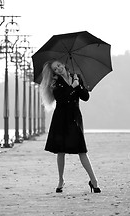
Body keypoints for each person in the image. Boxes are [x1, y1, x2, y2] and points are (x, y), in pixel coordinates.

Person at [40, 60, 101, 193]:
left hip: (74, 117)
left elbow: (85, 97)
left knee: (82, 150)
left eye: (59, 65)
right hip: (61, 118)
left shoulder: (76, 77)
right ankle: (61, 180)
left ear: (63, 64)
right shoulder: (55, 83)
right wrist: (73, 87)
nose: (59, 69)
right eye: (55, 69)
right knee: (60, 151)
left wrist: (78, 86)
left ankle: (94, 181)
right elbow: (62, 99)